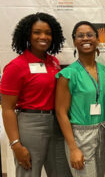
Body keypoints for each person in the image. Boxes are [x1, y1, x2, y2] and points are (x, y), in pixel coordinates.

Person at [0, 12, 71, 177]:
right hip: (30, 125)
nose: (43, 36)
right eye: (37, 32)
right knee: (29, 173)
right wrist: (16, 144)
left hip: (56, 123)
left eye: (48, 33)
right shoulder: (16, 66)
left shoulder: (53, 62)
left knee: (62, 172)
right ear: (27, 35)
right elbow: (7, 108)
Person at [55, 21, 105, 177]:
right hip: (80, 135)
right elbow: (60, 112)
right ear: (74, 41)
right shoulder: (68, 74)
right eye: (80, 36)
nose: (85, 39)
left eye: (90, 35)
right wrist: (73, 148)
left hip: (102, 131)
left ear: (97, 39)